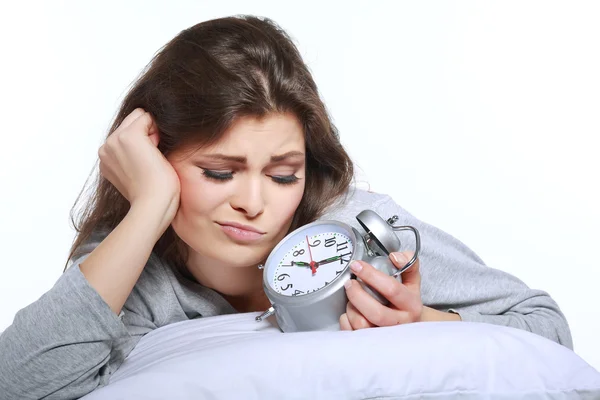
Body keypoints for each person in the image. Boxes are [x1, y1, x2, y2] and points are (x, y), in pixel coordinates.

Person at [0, 14, 572, 399]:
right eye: (219, 172)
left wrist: (421, 320)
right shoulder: (133, 270)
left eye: (282, 175)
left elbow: (545, 329)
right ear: (154, 156)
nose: (253, 203)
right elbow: (18, 383)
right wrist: (146, 209)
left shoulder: (358, 232)